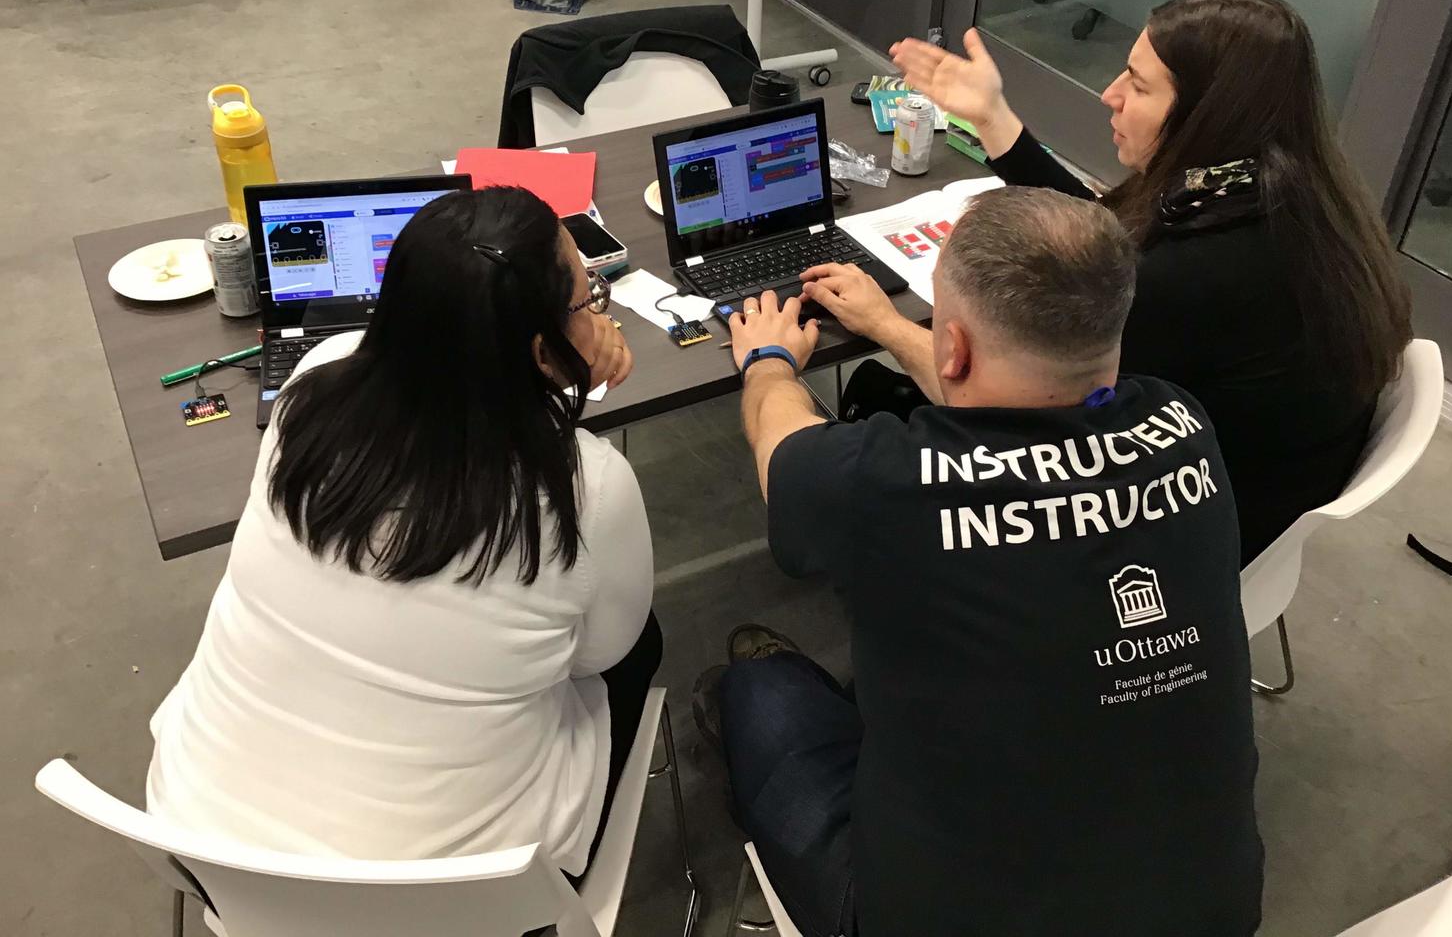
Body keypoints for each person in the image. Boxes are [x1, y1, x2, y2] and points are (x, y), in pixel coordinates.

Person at [704, 186, 1263, 937]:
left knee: (755, 688)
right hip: (1206, 917)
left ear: (955, 345)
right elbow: (1018, 414)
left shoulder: (889, 484)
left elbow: (782, 447)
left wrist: (768, 360)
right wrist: (894, 327)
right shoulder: (1184, 424)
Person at [148, 187, 657, 880]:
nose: (597, 307)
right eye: (587, 299)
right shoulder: (586, 489)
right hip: (460, 904)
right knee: (633, 641)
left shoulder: (308, 387)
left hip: (207, 851)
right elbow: (596, 656)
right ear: (542, 352)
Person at [891, 0, 1412, 564]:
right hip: (1253, 491)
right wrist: (992, 118)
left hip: (1169, 540)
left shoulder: (1195, 274)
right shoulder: (1285, 192)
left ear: (1206, 111)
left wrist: (883, 323)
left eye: (1139, 86)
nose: (1110, 95)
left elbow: (1009, 413)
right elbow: (1100, 236)